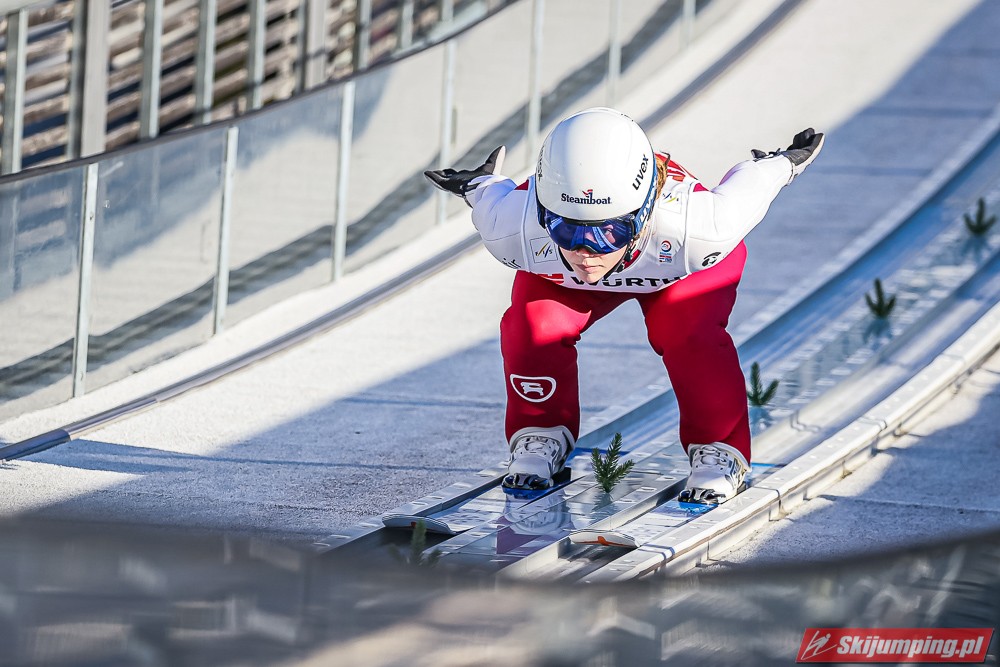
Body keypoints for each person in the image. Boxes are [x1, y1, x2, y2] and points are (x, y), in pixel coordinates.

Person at [425, 107, 823, 504]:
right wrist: (480, 182)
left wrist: (782, 163)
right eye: (565, 229)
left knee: (689, 334)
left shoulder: (700, 228)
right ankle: (540, 433)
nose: (586, 252)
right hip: (581, 273)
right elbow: (487, 193)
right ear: (542, 214)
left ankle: (719, 448)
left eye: (609, 232)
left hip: (676, 267)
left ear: (644, 213)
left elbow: (751, 186)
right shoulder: (513, 227)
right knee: (532, 326)